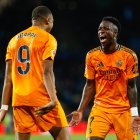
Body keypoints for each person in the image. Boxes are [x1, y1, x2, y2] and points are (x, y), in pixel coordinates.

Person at [0, 5, 70, 140]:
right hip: (42, 98)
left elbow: (8, 78)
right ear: (48, 20)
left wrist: (3, 107)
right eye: (53, 21)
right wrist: (54, 101)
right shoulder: (48, 38)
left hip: (19, 100)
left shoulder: (13, 40)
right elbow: (47, 72)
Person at [68, 16, 139, 140]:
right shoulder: (91, 56)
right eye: (100, 29)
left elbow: (132, 86)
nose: (101, 31)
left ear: (115, 33)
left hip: (123, 111)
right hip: (101, 109)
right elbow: (89, 85)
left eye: (106, 29)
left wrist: (134, 113)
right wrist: (80, 111)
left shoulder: (129, 55)